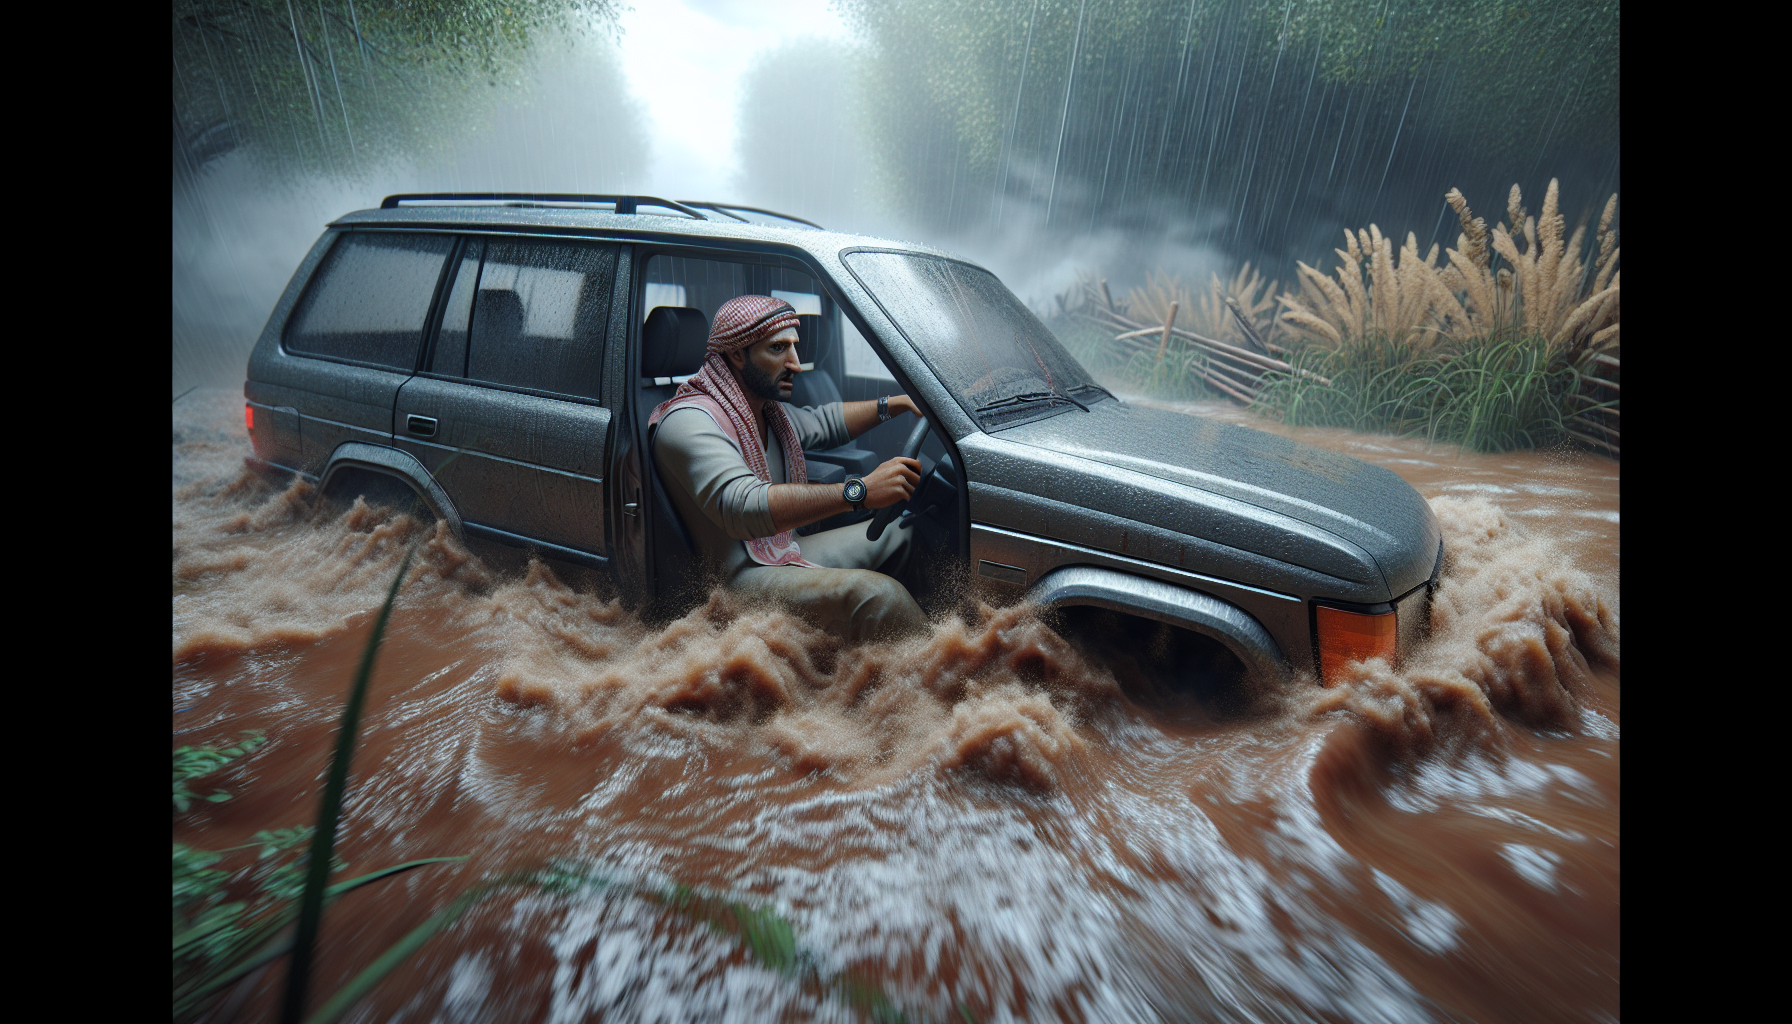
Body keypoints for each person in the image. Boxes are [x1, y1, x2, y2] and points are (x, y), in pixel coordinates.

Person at [649, 294, 929, 641]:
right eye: (779, 349)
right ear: (737, 354)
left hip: (782, 548)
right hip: (738, 582)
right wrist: (860, 492)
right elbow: (743, 506)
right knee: (879, 597)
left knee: (905, 533)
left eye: (794, 348)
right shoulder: (689, 421)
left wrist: (897, 404)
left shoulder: (763, 410)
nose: (796, 363)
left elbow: (823, 423)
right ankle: (953, 687)